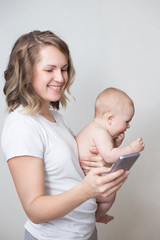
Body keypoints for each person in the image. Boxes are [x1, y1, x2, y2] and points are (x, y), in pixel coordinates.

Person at [1, 31, 129, 240]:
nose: (60, 78)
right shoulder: (21, 125)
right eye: (49, 69)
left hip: (84, 233)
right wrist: (87, 190)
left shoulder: (56, 118)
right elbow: (35, 210)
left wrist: (104, 152)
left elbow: (69, 173)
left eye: (64, 69)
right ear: (26, 73)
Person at [76, 87, 144, 224]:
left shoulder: (93, 127)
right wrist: (131, 148)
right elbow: (109, 157)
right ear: (110, 119)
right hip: (80, 182)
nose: (128, 126)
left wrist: (115, 145)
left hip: (80, 179)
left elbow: (105, 153)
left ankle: (94, 216)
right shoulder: (100, 132)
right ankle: (96, 217)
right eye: (126, 122)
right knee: (109, 195)